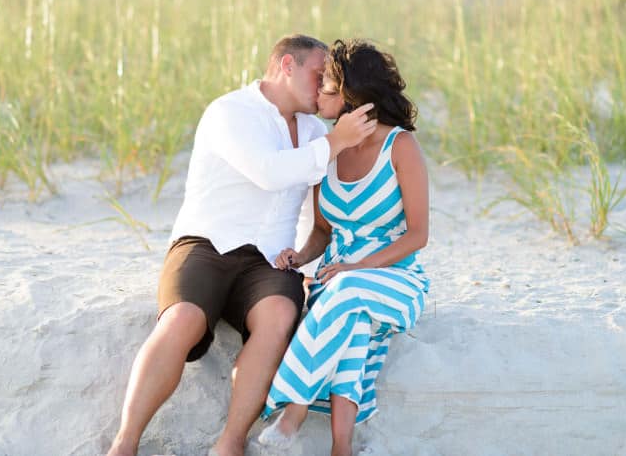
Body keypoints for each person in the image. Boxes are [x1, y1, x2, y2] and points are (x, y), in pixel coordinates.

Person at [103, 35, 379, 456]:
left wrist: (305, 264)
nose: (325, 88)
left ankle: (229, 444)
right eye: (318, 75)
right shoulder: (230, 111)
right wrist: (335, 143)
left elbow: (314, 214)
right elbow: (268, 172)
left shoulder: (314, 132)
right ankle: (125, 444)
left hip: (269, 262)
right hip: (206, 244)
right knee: (182, 320)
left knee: (280, 315)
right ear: (287, 65)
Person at [258, 39, 429, 456]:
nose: (318, 94)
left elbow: (418, 235)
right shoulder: (326, 151)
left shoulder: (400, 146)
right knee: (349, 321)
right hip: (337, 280)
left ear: (353, 96)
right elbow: (321, 230)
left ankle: (292, 410)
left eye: (328, 87)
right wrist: (299, 256)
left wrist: (359, 267)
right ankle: (342, 447)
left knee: (346, 294)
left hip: (395, 278)